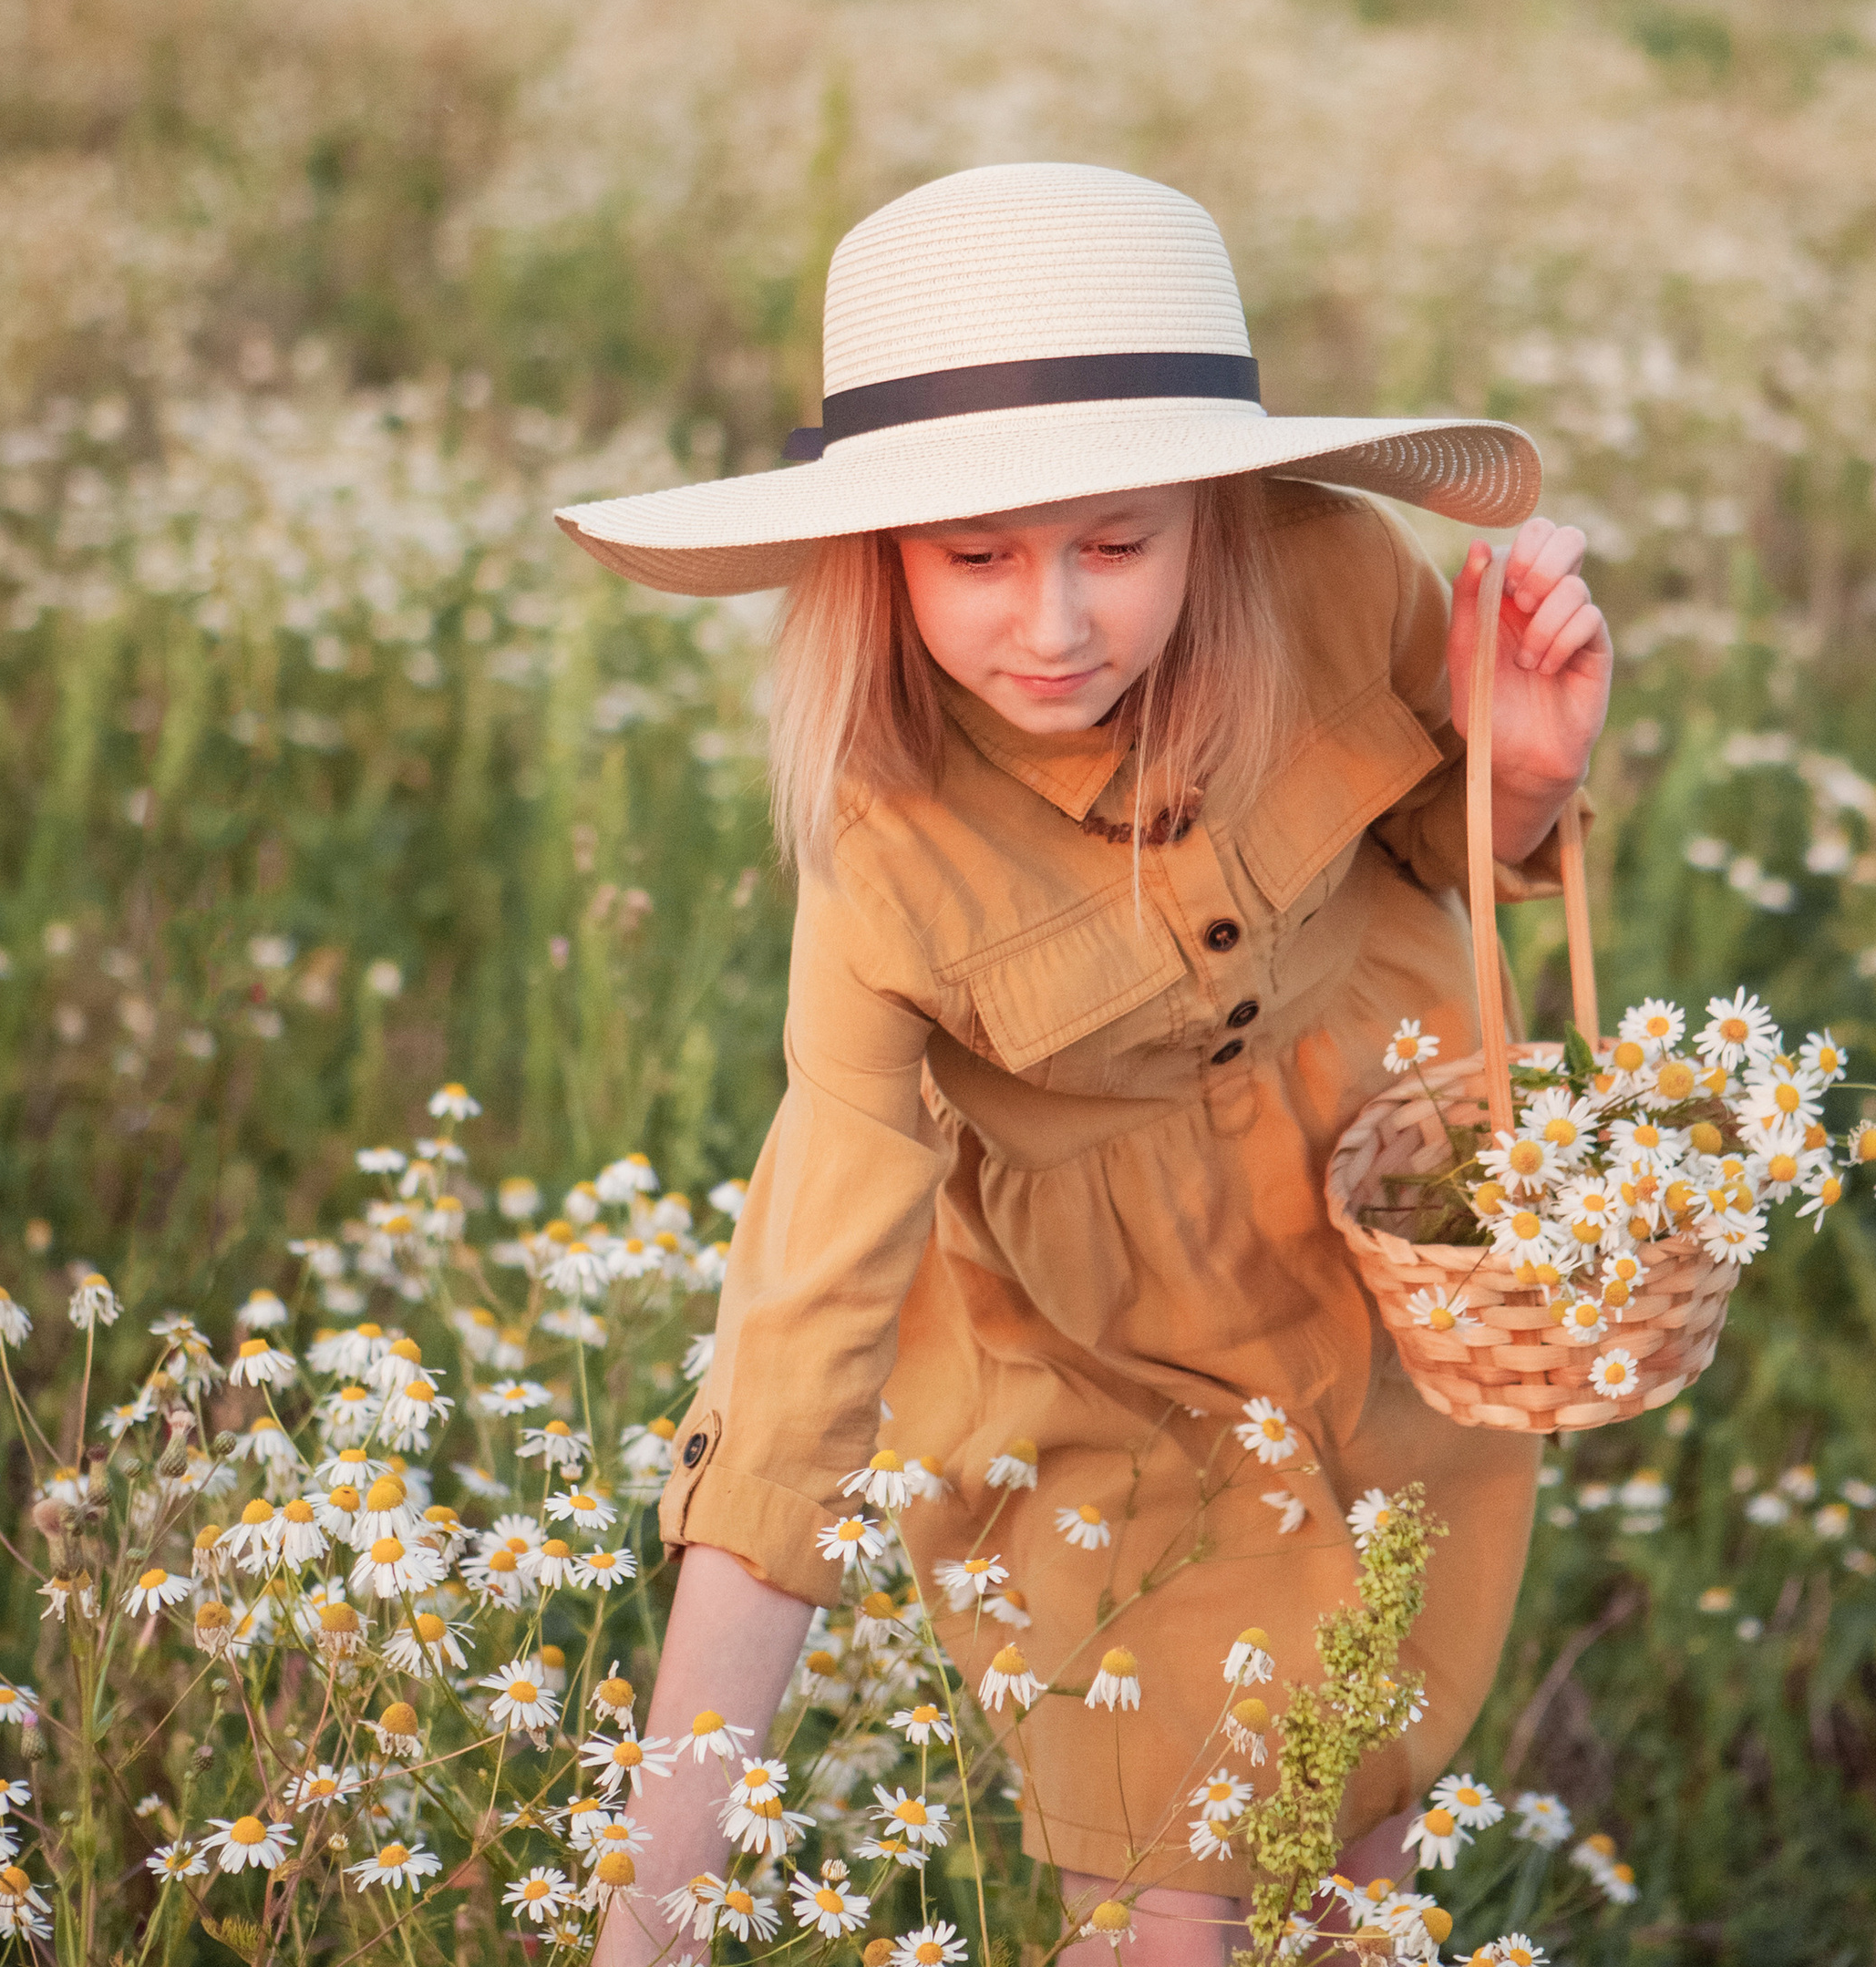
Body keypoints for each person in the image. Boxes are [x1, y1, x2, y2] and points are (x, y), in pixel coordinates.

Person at [557, 162, 1613, 1966]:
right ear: (882, 549)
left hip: (1384, 1286)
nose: (1052, 624)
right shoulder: (885, 845)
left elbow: (1444, 858)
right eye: (976, 556)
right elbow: (801, 1336)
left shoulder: (1331, 574)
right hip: (1102, 1382)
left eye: (1115, 544)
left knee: (1353, 1851)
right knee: (1169, 1908)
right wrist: (651, 1909)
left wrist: (1516, 770)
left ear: (1210, 511)